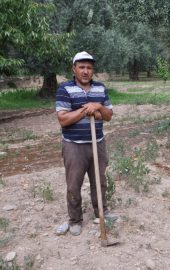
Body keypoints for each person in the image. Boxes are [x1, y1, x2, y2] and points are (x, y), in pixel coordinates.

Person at [55, 51, 113, 236]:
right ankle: (75, 220)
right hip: (74, 145)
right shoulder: (65, 89)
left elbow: (108, 115)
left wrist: (98, 107)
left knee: (100, 181)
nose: (86, 71)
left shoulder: (100, 88)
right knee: (74, 184)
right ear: (74, 69)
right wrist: (85, 110)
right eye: (81, 67)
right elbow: (63, 119)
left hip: (98, 142)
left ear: (92, 70)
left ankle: (101, 213)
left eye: (89, 67)